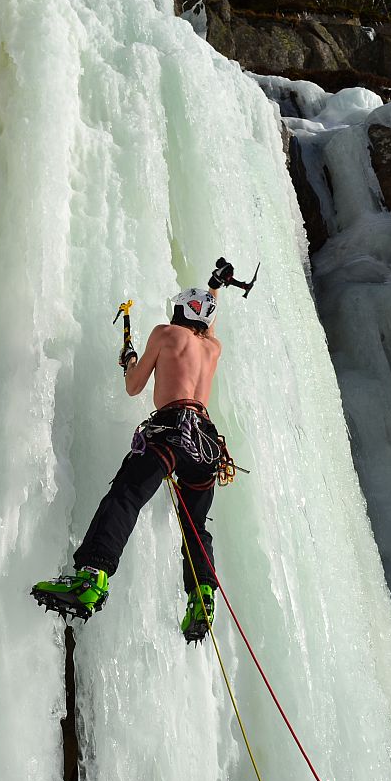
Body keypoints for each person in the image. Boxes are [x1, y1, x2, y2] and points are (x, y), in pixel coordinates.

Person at [32, 260, 235, 643]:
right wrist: (215, 287)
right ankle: (202, 594)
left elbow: (133, 387)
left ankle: (92, 576)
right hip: (206, 446)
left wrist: (129, 360)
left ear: (179, 311)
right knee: (195, 526)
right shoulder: (212, 348)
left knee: (125, 497)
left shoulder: (164, 333)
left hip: (171, 434)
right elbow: (208, 317)